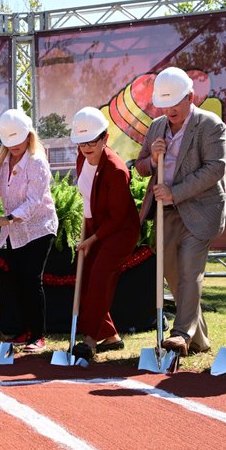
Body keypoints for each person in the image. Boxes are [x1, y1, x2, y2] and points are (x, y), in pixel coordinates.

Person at [134, 67, 226, 356]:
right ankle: (199, 339)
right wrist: (152, 159)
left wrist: (175, 191)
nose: (169, 110)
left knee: (190, 270)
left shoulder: (210, 125)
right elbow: (139, 168)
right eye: (164, 104)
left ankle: (180, 334)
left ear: (190, 96)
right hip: (166, 212)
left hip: (202, 210)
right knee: (172, 273)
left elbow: (216, 168)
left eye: (175, 102)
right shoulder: (156, 127)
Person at [64, 108, 140, 361]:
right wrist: (86, 234)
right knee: (86, 278)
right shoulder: (81, 157)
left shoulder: (116, 171)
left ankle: (88, 339)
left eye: (91, 141)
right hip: (96, 227)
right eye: (81, 142)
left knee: (98, 277)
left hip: (120, 232)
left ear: (105, 138)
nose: (86, 147)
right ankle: (110, 336)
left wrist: (92, 239)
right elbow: (88, 200)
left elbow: (117, 218)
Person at [0, 109, 58, 351]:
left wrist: (6, 219)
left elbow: (35, 201)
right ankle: (26, 329)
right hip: (14, 232)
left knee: (31, 279)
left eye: (18, 140)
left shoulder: (37, 162)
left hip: (38, 228)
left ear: (28, 136)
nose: (14, 146)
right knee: (18, 281)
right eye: (9, 142)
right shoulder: (3, 163)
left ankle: (38, 334)